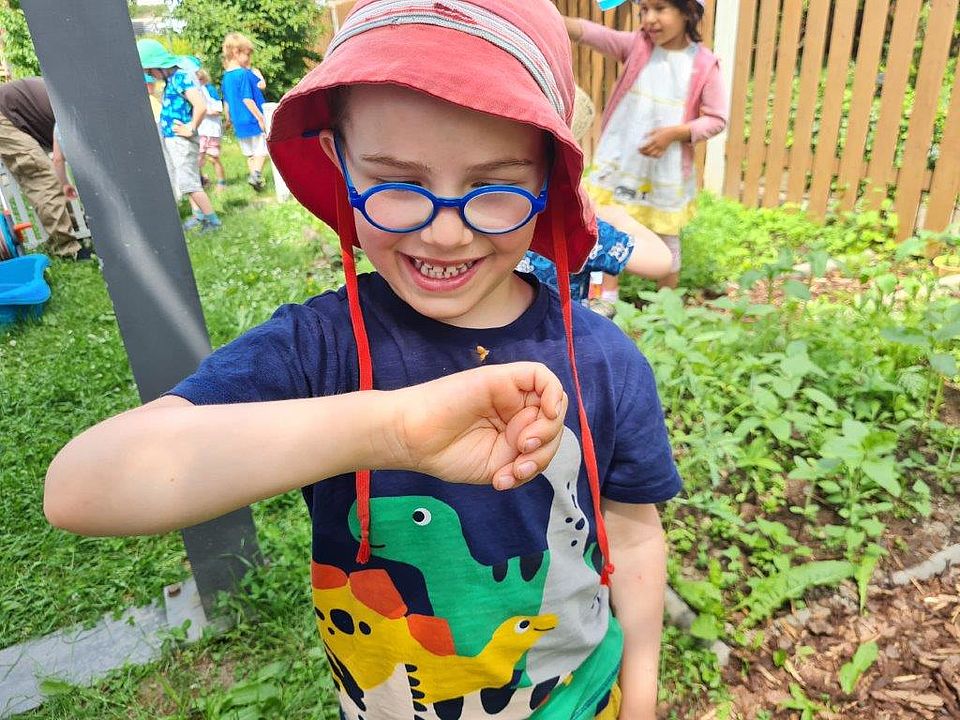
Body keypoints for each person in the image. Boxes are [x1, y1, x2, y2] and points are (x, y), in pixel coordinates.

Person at [45, 2, 681, 718]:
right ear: (338, 161)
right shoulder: (317, 350)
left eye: (494, 187)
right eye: (398, 182)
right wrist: (389, 431)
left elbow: (633, 533)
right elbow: (80, 488)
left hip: (578, 699)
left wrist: (642, 693)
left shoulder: (605, 360)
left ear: (548, 180)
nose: (446, 233)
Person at [566, 0, 727, 289]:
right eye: (644, 10)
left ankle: (666, 305)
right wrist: (548, 17)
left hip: (665, 172)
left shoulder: (704, 64)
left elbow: (716, 119)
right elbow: (593, 33)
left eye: (660, 8)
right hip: (622, 163)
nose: (649, 18)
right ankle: (605, 301)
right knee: (609, 228)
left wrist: (675, 133)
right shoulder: (637, 46)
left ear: (688, 11)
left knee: (667, 238)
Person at [519, 86, 673, 313]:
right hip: (562, 334)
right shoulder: (575, 229)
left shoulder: (485, 220)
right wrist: (618, 218)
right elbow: (660, 260)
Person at [0, 77, 90, 260]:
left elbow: (60, 161)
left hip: (14, 112)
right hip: (4, 116)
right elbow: (58, 159)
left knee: (48, 175)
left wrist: (64, 183)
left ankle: (80, 230)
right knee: (41, 177)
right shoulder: (72, 112)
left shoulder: (76, 104)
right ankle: (68, 249)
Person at [136, 40, 222, 232]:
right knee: (186, 181)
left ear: (159, 65)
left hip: (183, 140)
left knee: (190, 183)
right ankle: (199, 216)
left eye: (150, 71)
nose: (150, 75)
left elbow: (200, 105)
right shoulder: (171, 80)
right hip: (174, 140)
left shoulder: (180, 77)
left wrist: (191, 127)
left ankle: (213, 220)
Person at [220, 32, 270, 192]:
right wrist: (260, 117)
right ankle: (256, 174)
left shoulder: (226, 77)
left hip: (238, 121)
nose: (249, 59)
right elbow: (248, 97)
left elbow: (226, 101)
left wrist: (228, 119)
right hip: (252, 118)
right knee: (262, 150)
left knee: (250, 154)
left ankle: (256, 182)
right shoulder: (244, 74)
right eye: (247, 54)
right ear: (236, 52)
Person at [195, 69, 227, 192]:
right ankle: (202, 181)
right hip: (199, 129)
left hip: (211, 129)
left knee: (213, 157)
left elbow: (218, 109)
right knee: (198, 158)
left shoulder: (210, 89)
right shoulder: (193, 91)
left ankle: (221, 183)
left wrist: (204, 111)